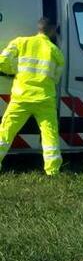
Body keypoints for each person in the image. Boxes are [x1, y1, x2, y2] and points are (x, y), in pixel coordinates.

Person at [0, 17, 65, 175]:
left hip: (21, 97)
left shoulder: (21, 42)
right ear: (52, 30)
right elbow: (56, 77)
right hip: (45, 99)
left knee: (6, 131)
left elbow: (2, 61)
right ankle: (52, 171)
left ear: (39, 28)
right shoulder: (55, 51)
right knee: (49, 135)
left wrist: (14, 70)